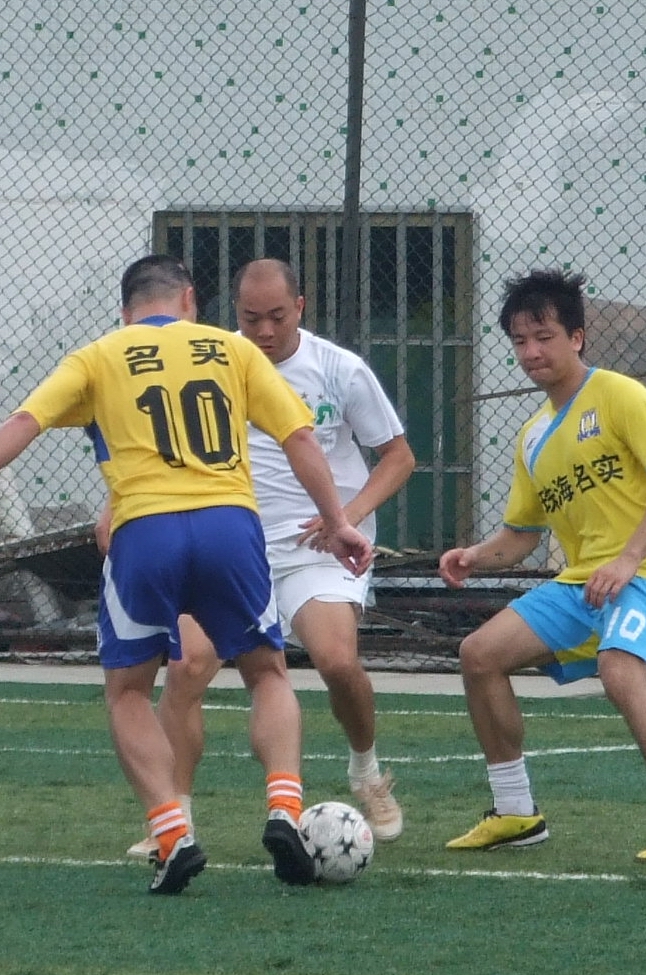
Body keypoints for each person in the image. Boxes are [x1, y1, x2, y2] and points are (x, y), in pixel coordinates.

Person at [0, 256, 374, 895]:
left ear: (126, 312)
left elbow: (23, 423)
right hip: (230, 526)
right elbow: (300, 439)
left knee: (128, 691)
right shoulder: (229, 350)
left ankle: (172, 834)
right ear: (190, 300)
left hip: (145, 531)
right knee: (266, 672)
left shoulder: (98, 355)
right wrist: (337, 521)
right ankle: (284, 809)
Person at [121, 258, 415, 859]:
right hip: (228, 544)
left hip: (317, 548)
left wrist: (345, 517)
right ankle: (173, 822)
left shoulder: (339, 369)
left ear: (300, 308)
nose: (263, 331)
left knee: (336, 661)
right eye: (250, 317)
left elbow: (399, 456)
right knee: (187, 666)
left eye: (277, 317)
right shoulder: (213, 360)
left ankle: (367, 771)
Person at [439, 268, 646, 862]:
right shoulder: (532, 436)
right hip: (582, 584)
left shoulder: (620, 395)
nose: (531, 352)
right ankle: (516, 812)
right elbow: (521, 536)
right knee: (479, 655)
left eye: (543, 336)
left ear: (577, 337)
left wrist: (628, 559)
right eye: (519, 341)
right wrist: (475, 556)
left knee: (620, 672)